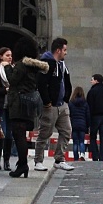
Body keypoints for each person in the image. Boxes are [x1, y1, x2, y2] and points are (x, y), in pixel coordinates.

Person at [5, 39, 49, 178]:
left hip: (18, 103)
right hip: (28, 103)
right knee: (21, 134)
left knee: (18, 135)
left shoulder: (21, 65)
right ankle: (22, 164)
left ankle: (23, 165)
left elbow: (12, 80)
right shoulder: (34, 67)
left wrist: (6, 67)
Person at [34, 37, 74, 172]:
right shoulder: (47, 63)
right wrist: (47, 102)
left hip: (62, 104)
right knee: (45, 133)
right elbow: (41, 83)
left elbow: (67, 82)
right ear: (58, 50)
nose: (66, 53)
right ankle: (38, 160)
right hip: (51, 105)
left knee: (66, 131)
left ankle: (59, 159)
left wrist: (66, 98)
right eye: (64, 50)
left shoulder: (62, 65)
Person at [0, 46, 14, 171]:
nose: (10, 58)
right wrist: (5, 90)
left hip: (11, 106)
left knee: (9, 135)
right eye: (7, 55)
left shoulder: (13, 69)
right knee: (1, 133)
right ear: (1, 56)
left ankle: (7, 161)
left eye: (11, 55)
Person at [69, 86, 90, 160]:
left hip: (74, 124)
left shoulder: (71, 103)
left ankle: (75, 157)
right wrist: (87, 125)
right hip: (82, 124)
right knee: (81, 141)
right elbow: (87, 115)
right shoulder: (85, 103)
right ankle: (82, 154)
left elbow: (69, 114)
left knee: (75, 142)